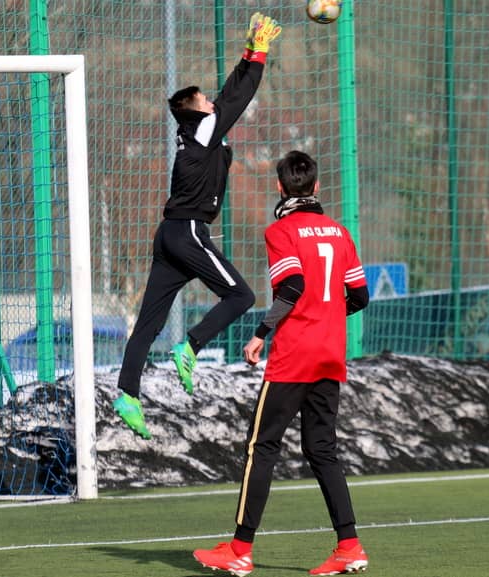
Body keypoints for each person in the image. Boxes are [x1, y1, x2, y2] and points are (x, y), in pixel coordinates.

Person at [193, 151, 371, 576]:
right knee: (322, 449)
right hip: (330, 354)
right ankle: (349, 546)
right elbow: (360, 296)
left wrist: (261, 332)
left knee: (262, 447)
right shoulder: (339, 232)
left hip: (295, 356)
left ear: (279, 187)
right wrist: (329, 315)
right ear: (317, 186)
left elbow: (292, 285)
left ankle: (240, 549)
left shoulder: (281, 231)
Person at [112, 13, 283, 439]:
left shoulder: (197, 130)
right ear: (198, 110)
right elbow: (237, 98)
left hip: (170, 235)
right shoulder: (204, 127)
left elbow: (227, 94)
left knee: (148, 322)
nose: (213, 102)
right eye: (206, 100)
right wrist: (260, 55)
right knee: (242, 295)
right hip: (188, 232)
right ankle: (190, 346)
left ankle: (127, 395)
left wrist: (249, 52)